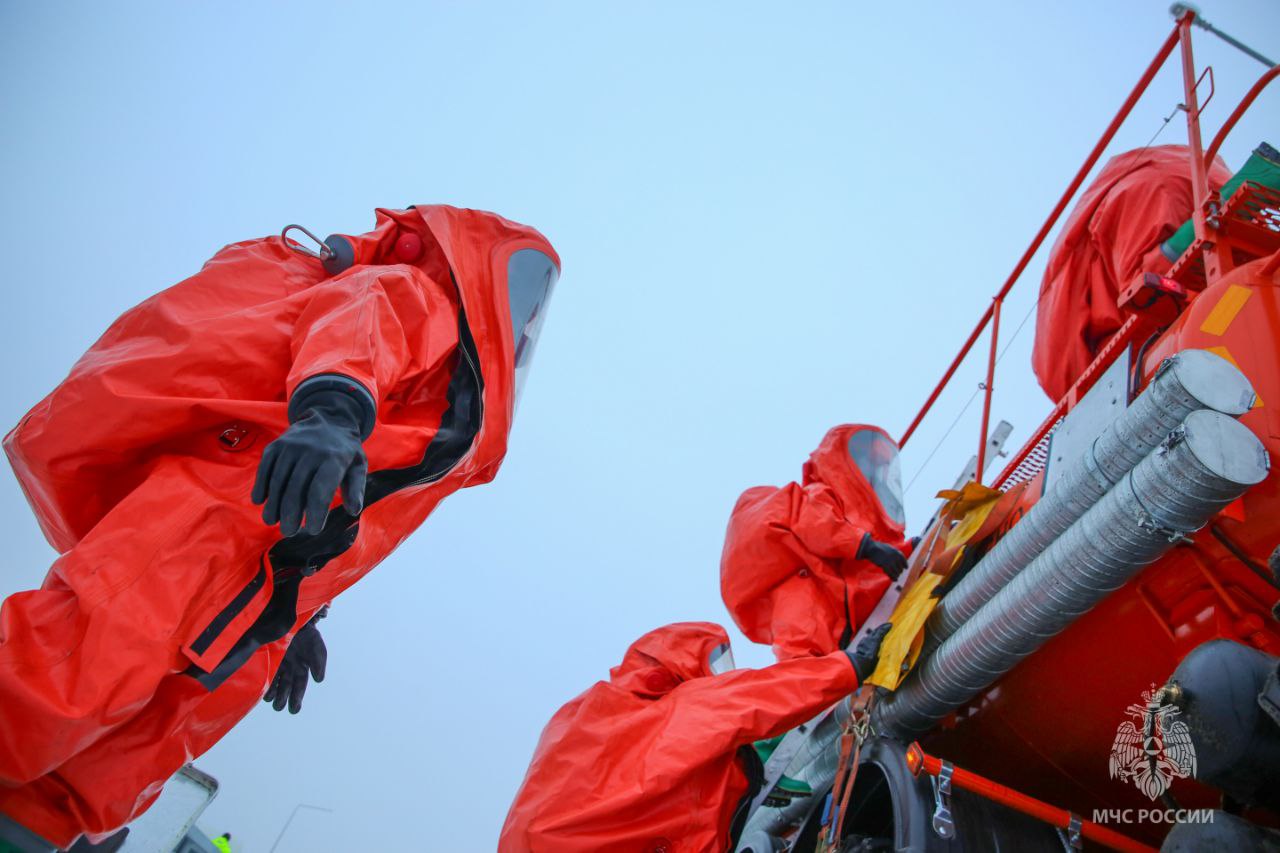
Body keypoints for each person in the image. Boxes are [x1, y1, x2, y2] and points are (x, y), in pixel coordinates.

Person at [0, 205, 559, 849]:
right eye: (527, 299)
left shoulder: (448, 397)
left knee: (137, 747)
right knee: (67, 672)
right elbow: (358, 323)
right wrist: (331, 414)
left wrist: (300, 620)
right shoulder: (413, 295)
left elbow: (357, 516)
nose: (527, 322)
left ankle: (34, 829)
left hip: (262, 594)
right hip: (209, 522)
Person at [499, 621, 890, 853]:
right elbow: (743, 703)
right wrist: (847, 668)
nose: (720, 675)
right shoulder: (665, 707)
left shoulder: (598, 718)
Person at [1031, 144, 1231, 403]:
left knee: (1149, 285)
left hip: (1146, 191)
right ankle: (1239, 190)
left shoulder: (1057, 357)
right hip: (1205, 173)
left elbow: (1143, 283)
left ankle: (1239, 193)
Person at [720, 424, 911, 662]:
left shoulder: (853, 523)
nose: (873, 474)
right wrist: (867, 546)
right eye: (869, 465)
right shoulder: (818, 496)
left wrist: (908, 550)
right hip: (808, 606)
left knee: (814, 669)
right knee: (805, 668)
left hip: (834, 621)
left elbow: (861, 580)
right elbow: (816, 523)